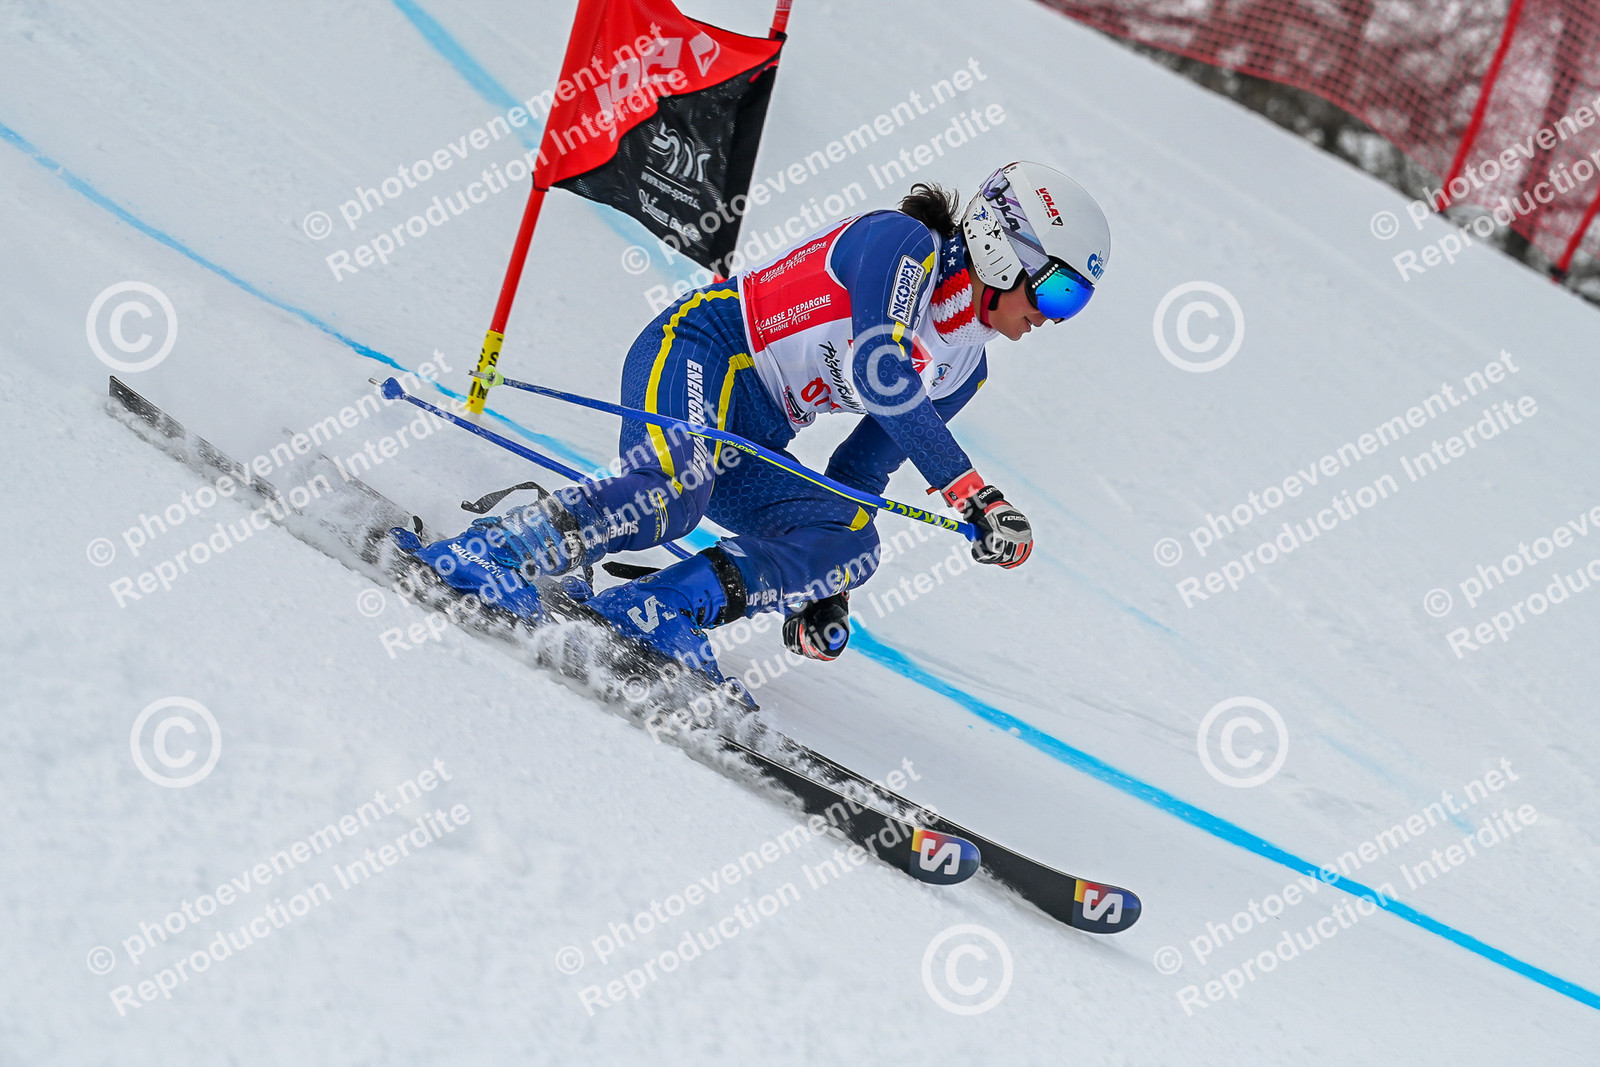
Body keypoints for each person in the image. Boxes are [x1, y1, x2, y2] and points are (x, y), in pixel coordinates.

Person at [397, 160, 1110, 678]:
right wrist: (971, 494)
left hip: (757, 433)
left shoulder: (964, 369)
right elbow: (878, 367)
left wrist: (821, 589)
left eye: (1073, 306)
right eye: (1057, 292)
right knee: (675, 491)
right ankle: (500, 550)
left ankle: (656, 611)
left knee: (852, 540)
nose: (1052, 318)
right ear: (1000, 246)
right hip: (702, 348)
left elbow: (859, 472)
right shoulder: (904, 244)